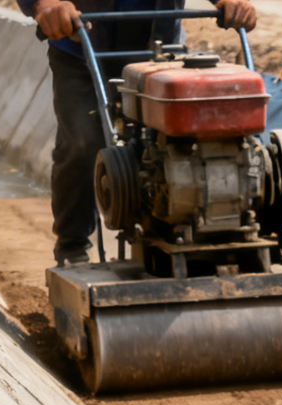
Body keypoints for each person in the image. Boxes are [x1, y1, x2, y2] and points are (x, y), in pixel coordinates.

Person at [17, 0, 259, 266]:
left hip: (160, 48)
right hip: (79, 43)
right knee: (83, 141)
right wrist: (43, 4)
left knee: (173, 138)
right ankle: (71, 245)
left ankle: (171, 234)